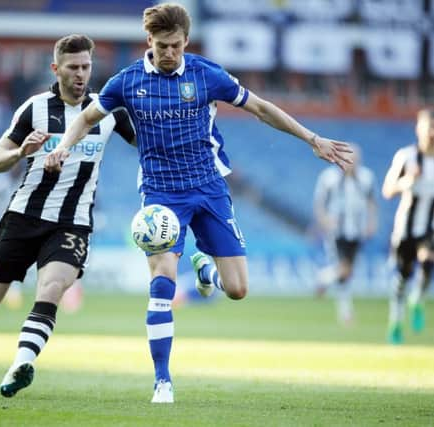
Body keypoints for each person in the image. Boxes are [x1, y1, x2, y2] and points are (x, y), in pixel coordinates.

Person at [44, 3, 353, 403]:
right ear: (149, 42)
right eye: (161, 45)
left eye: (175, 45)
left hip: (209, 188)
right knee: (161, 284)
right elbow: (86, 117)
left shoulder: (207, 75)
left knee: (238, 289)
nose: (169, 53)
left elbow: (260, 108)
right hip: (160, 194)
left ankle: (205, 270)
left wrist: (313, 139)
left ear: (186, 41)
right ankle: (162, 381)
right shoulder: (128, 81)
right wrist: (63, 149)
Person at [0, 35, 136, 398]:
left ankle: (21, 363)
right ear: (56, 69)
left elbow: (148, 145)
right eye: (73, 67)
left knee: (52, 288)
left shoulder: (109, 112)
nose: (80, 74)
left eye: (86, 67)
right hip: (24, 217)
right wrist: (21, 153)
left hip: (73, 222)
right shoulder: (35, 109)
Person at [382, 108, 434, 345]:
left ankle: (417, 299)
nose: (431, 132)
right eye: (428, 127)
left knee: (427, 261)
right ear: (418, 128)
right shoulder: (406, 157)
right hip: (404, 229)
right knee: (402, 277)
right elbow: (387, 190)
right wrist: (408, 181)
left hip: (428, 227)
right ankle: (396, 320)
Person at [313, 145, 378, 325]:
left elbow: (372, 202)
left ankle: (324, 278)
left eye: (355, 158)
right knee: (344, 269)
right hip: (336, 231)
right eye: (348, 158)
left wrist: (372, 223)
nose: (352, 162)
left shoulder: (366, 177)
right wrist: (325, 221)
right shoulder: (329, 178)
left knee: (347, 273)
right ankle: (345, 312)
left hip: (356, 231)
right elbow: (320, 204)